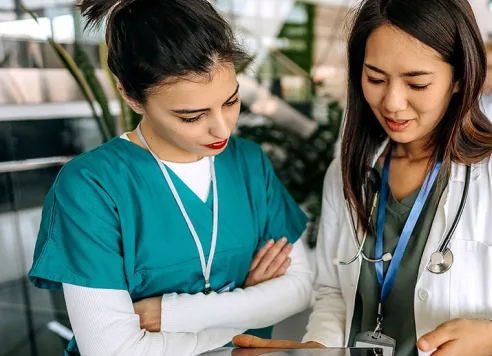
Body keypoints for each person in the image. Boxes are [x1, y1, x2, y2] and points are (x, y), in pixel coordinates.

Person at [233, 0, 492, 355]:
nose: (393, 103)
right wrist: (317, 349)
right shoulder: (348, 169)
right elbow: (333, 292)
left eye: (417, 83)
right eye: (375, 79)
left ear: (460, 78)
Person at [27, 0, 313, 355]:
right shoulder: (91, 186)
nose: (222, 128)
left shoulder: (249, 163)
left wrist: (170, 314)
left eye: (231, 101)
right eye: (191, 116)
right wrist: (248, 304)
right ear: (131, 97)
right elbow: (112, 349)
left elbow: (299, 288)